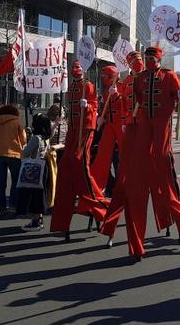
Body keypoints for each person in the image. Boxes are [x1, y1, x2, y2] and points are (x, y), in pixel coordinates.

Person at [118, 46, 180, 259]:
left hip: (162, 122)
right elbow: (134, 100)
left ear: (159, 59)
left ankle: (176, 214)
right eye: (147, 58)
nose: (149, 60)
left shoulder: (170, 76)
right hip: (144, 122)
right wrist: (129, 119)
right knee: (141, 161)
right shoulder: (141, 78)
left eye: (152, 58)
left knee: (161, 158)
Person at [50, 61, 109, 239]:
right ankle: (64, 218)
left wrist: (89, 107)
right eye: (73, 69)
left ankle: (99, 204)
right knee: (66, 167)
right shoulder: (71, 88)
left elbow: (95, 107)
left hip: (85, 130)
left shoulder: (88, 86)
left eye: (78, 69)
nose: (75, 71)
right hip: (73, 131)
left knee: (79, 161)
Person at [101, 50, 146, 249]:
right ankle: (112, 223)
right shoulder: (126, 82)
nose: (136, 63)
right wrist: (117, 98)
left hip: (149, 133)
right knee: (124, 180)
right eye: (132, 60)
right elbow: (122, 108)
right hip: (129, 131)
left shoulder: (156, 77)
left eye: (139, 60)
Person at [16, 111, 55, 232]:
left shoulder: (35, 138)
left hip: (33, 168)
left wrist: (24, 144)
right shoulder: (46, 138)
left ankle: (35, 221)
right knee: (40, 194)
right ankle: (39, 218)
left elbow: (25, 153)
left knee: (34, 196)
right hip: (43, 167)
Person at [0, 104, 26, 215]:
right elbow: (23, 139)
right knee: (15, 181)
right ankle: (13, 205)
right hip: (14, 154)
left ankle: (1, 207)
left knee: (1, 181)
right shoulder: (17, 122)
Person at [91, 65, 122, 191]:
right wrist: (100, 117)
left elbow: (127, 105)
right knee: (103, 156)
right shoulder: (105, 91)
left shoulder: (122, 86)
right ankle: (99, 185)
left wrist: (116, 95)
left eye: (107, 76)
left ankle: (122, 186)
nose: (104, 79)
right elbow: (104, 107)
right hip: (108, 125)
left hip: (120, 126)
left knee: (120, 159)